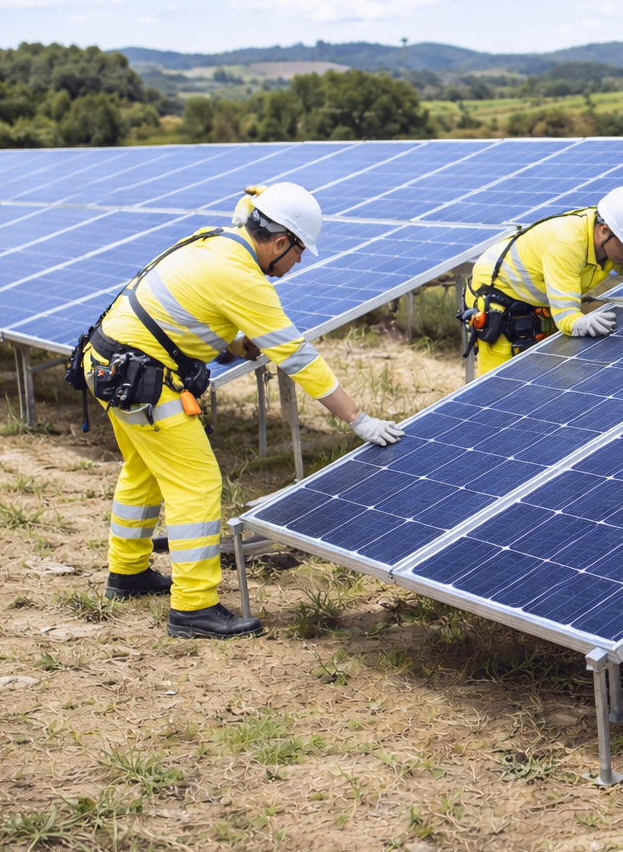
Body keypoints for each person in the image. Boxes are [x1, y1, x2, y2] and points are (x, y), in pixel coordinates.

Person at [85, 182, 405, 638]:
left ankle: (128, 573)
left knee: (144, 471)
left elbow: (181, 316)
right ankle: (193, 609)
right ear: (279, 243)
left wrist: (234, 346)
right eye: (298, 254)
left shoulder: (214, 241)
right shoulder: (242, 278)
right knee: (196, 483)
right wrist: (358, 419)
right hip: (142, 381)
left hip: (109, 365)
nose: (295, 265)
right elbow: (298, 358)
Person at [462, 186, 623, 374]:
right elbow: (566, 317)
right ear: (603, 230)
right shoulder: (566, 243)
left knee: (555, 376)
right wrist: (580, 322)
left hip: (537, 301)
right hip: (497, 298)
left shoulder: (617, 239)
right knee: (505, 384)